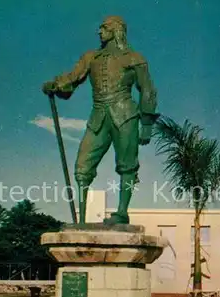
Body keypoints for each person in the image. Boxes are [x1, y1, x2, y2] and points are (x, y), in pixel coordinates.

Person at [42, 15, 158, 224]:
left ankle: (122, 212)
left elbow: (147, 89)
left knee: (128, 166)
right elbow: (72, 77)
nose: (99, 32)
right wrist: (56, 85)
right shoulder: (91, 58)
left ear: (115, 30)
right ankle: (82, 219)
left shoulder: (134, 58)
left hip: (126, 117)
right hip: (98, 117)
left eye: (103, 28)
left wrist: (147, 123)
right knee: (82, 166)